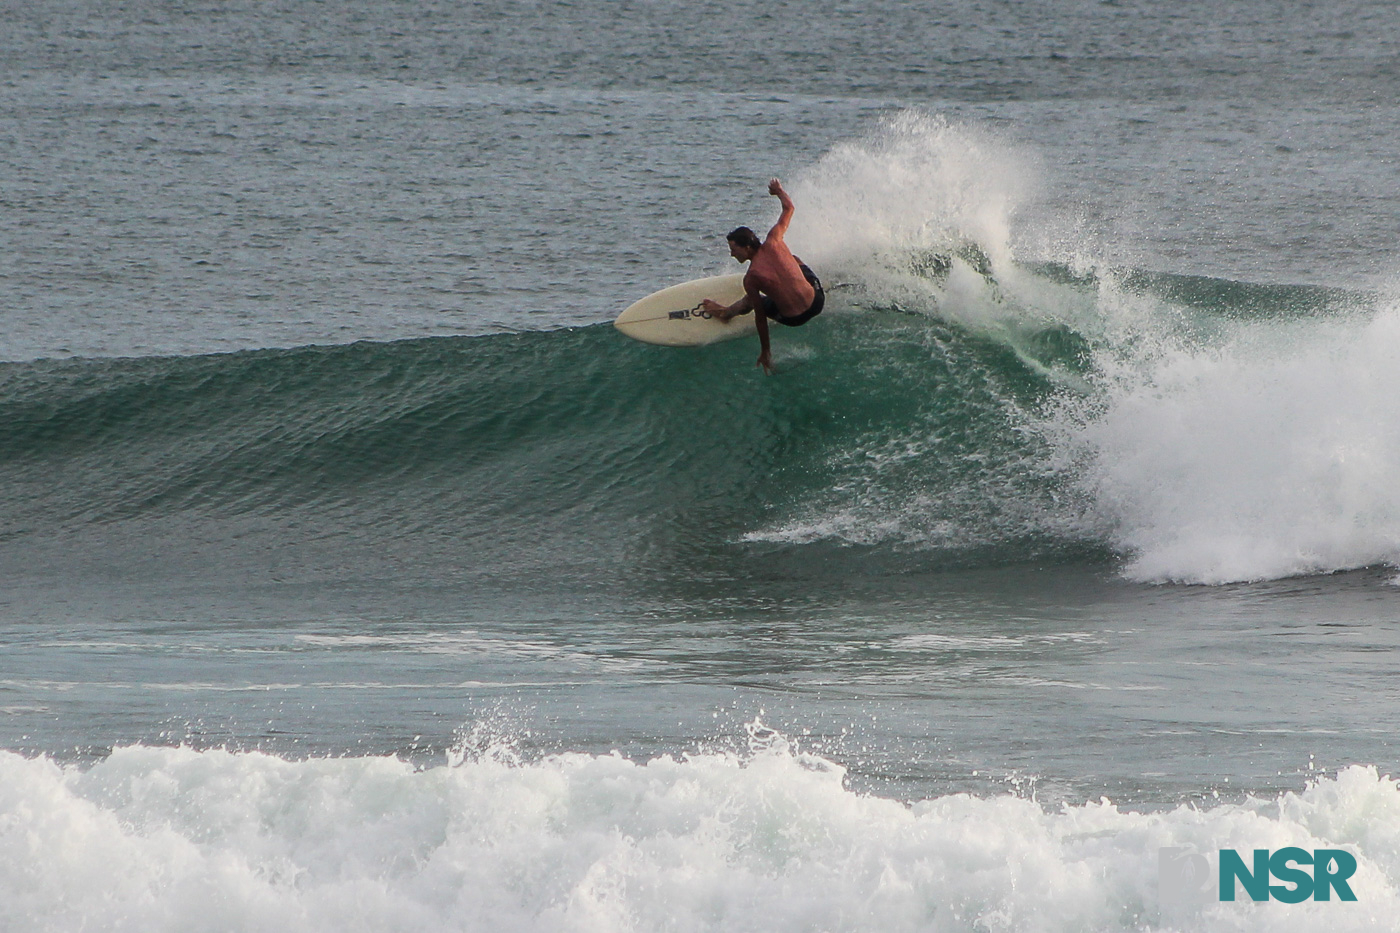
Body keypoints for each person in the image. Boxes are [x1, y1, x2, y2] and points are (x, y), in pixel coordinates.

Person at [701, 179, 824, 374]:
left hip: (795, 318)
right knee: (794, 259)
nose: (732, 254)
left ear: (747, 247)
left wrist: (765, 351)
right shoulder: (774, 239)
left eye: (734, 249)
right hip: (818, 301)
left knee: (750, 300)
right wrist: (779, 191)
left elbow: (760, 317)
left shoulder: (751, 278)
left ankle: (725, 314)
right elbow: (789, 208)